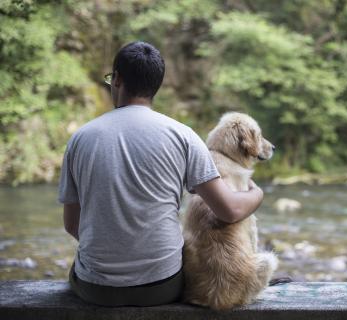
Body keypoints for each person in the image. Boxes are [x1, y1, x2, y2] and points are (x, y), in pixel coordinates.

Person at [58, 41, 264, 307]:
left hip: (96, 288)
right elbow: (229, 210)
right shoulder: (183, 136)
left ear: (117, 80)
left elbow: (72, 225)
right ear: (156, 86)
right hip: (162, 286)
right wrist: (256, 193)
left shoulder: (80, 139)